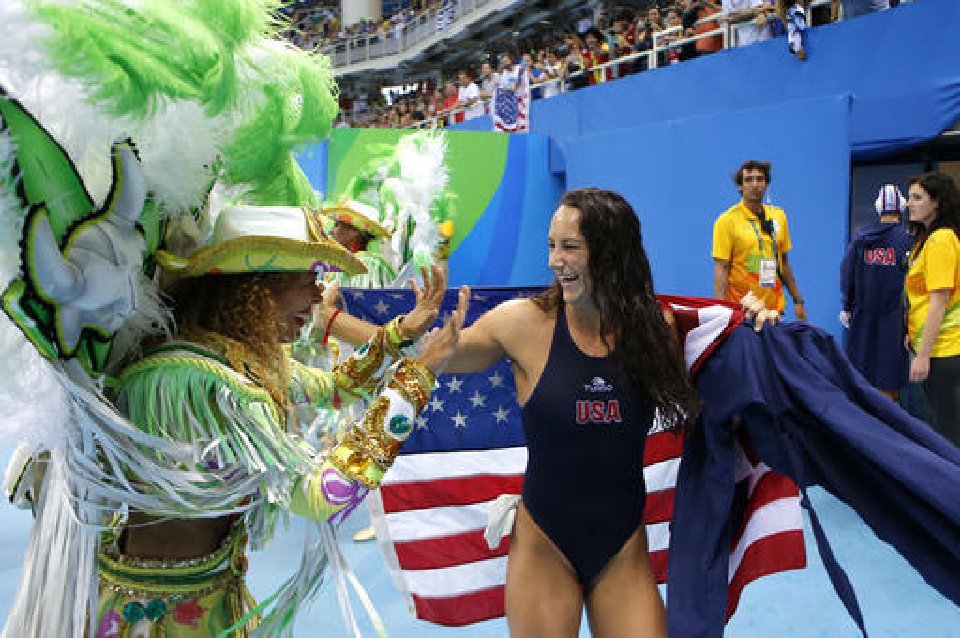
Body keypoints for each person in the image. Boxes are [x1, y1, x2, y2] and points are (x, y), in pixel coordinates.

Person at [321, 188, 700, 636]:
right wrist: (332, 319)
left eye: (571, 247)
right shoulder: (523, 324)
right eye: (552, 246)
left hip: (624, 551)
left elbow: (728, 364)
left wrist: (757, 324)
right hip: (546, 549)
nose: (555, 261)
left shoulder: (655, 328)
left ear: (612, 252)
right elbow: (434, 354)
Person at [96, 205, 468, 636]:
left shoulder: (233, 357)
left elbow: (336, 387)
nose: (318, 295)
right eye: (307, 279)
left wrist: (401, 332)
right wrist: (416, 380)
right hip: (161, 618)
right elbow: (324, 496)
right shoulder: (199, 382)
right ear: (257, 287)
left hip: (213, 594)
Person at [840, 183, 912, 401]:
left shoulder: (861, 238)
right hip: (895, 320)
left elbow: (847, 275)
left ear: (878, 207)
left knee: (859, 376)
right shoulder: (908, 239)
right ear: (902, 206)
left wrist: (847, 306)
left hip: (862, 316)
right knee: (889, 379)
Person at [904, 172, 960, 445]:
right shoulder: (926, 240)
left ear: (936, 202)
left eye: (917, 198)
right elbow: (922, 299)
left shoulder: (940, 241)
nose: (909, 203)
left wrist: (923, 355)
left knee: (949, 429)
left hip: (944, 350)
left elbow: (939, 301)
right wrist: (912, 333)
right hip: (933, 344)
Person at [713, 159, 807, 320]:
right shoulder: (726, 220)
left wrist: (798, 300)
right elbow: (721, 268)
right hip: (742, 310)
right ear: (740, 186)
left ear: (766, 184)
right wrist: (720, 311)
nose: (755, 184)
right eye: (748, 180)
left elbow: (783, 262)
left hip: (774, 311)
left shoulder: (778, 216)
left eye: (760, 179)